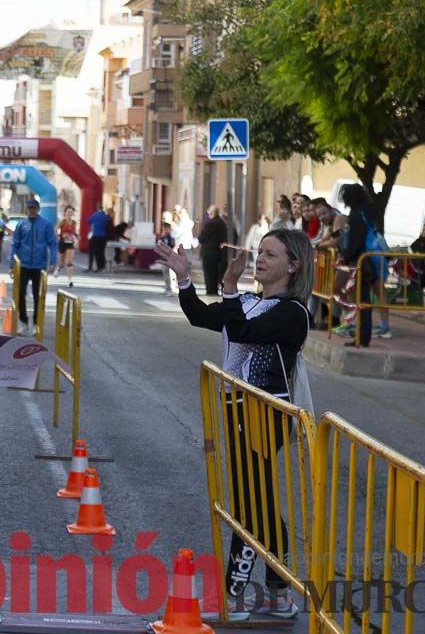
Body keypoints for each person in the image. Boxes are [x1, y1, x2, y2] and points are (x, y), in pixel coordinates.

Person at [155, 229, 313, 622]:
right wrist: (184, 277)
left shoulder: (293, 314)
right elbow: (201, 316)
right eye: (259, 252)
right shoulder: (247, 302)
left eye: (270, 255)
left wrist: (227, 288)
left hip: (264, 414)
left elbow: (242, 330)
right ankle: (279, 592)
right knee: (259, 502)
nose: (259, 260)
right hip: (237, 410)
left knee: (247, 505)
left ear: (293, 266)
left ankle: (233, 595)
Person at [339, 184, 385, 347]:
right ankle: (362, 335)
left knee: (362, 301)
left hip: (360, 262)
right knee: (363, 300)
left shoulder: (356, 215)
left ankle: (362, 336)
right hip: (367, 261)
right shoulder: (367, 211)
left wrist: (345, 255)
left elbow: (355, 241)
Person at [9, 199, 57, 337]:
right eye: (30, 208)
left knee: (38, 296)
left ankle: (37, 324)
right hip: (23, 266)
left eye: (34, 208)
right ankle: (24, 323)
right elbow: (15, 244)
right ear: (27, 209)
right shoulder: (22, 225)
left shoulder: (46, 225)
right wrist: (12, 263)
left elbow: (53, 243)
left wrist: (53, 262)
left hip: (39, 266)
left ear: (38, 209)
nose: (32, 210)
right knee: (20, 294)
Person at [198, 206, 230, 297]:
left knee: (209, 274)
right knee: (217, 273)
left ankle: (211, 291)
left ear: (212, 213)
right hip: (220, 253)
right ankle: (215, 291)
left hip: (209, 254)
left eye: (209, 213)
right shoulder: (222, 224)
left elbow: (202, 238)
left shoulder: (210, 224)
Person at [57, 206, 78, 286]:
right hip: (62, 243)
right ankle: (58, 267)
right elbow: (57, 229)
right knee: (61, 263)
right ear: (65, 213)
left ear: (72, 213)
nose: (69, 213)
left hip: (70, 243)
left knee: (69, 262)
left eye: (71, 212)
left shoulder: (74, 223)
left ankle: (69, 281)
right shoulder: (62, 222)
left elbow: (74, 232)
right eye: (68, 212)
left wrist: (76, 236)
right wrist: (59, 235)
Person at [86, 204, 109, 273]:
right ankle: (102, 267)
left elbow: (88, 221)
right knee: (101, 252)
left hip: (95, 235)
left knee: (94, 252)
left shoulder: (95, 215)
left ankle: (93, 267)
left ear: (97, 208)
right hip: (103, 236)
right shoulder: (105, 216)